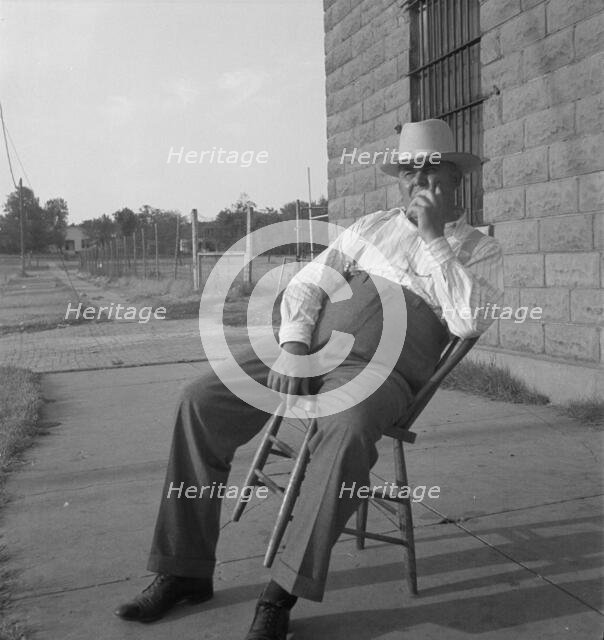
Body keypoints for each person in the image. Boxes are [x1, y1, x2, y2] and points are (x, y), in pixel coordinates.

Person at [114, 119, 504, 640]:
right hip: (312, 347)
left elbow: (470, 320)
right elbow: (306, 286)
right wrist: (295, 345)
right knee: (200, 399)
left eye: (432, 171)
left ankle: (280, 595)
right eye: (410, 172)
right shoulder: (371, 227)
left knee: (344, 431)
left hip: (381, 372)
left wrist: (434, 238)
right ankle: (184, 569)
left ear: (458, 180)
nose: (419, 183)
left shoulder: (478, 249)